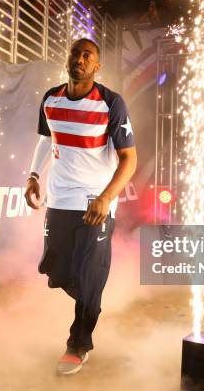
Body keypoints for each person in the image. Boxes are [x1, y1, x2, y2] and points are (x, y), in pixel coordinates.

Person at [24, 38, 137, 375]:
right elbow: (47, 139)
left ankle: (78, 343)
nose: (80, 59)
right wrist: (33, 175)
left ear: (97, 65)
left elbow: (129, 160)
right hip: (59, 201)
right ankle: (92, 298)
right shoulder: (51, 98)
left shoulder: (111, 103)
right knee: (54, 269)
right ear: (68, 60)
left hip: (95, 203)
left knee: (88, 278)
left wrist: (106, 197)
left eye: (88, 55)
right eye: (76, 53)